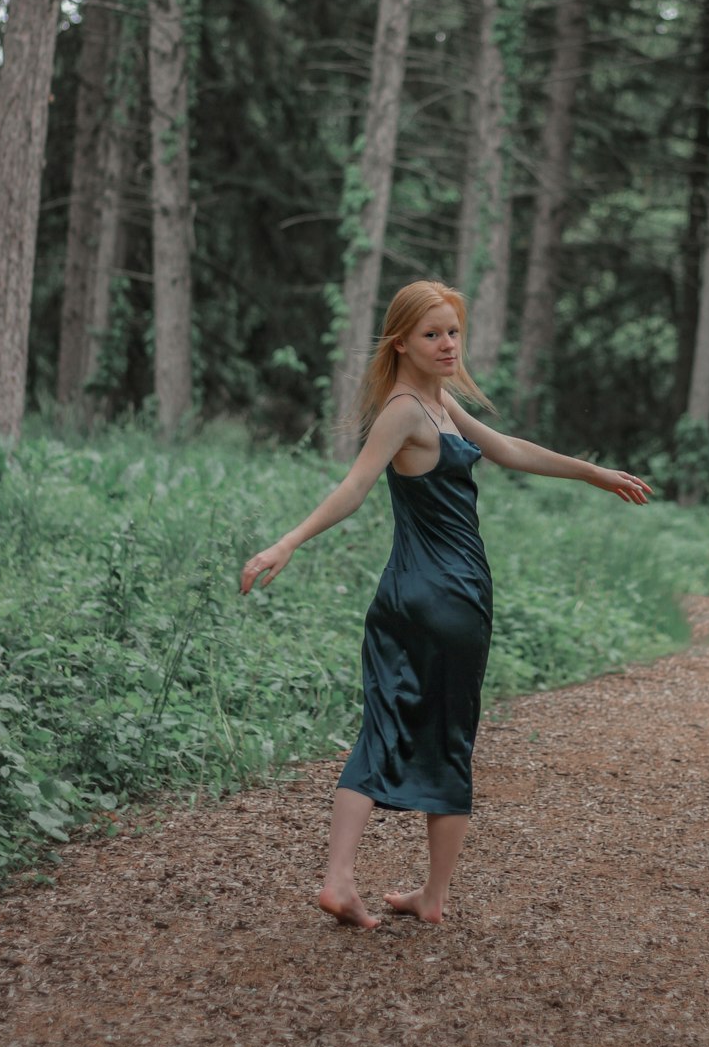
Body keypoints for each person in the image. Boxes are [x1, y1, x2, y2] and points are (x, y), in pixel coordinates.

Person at [240, 279, 652, 929]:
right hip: (453, 598)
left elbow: (509, 449)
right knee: (451, 738)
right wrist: (287, 542)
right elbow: (354, 486)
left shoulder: (438, 405)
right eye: (432, 334)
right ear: (401, 342)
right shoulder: (406, 410)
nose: (447, 344)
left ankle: (341, 879)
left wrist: (592, 472)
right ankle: (431, 897)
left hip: (401, 596)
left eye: (454, 331)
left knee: (381, 726)